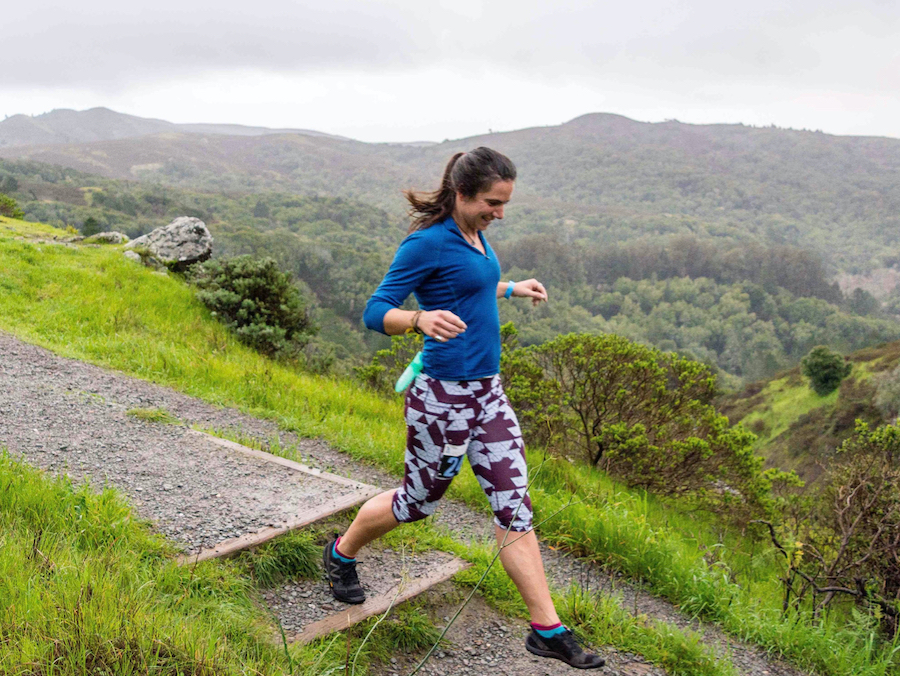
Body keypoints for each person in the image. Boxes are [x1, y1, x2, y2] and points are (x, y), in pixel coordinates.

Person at [322, 147, 605, 670]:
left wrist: (510, 287)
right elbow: (375, 311)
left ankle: (547, 629)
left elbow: (467, 284)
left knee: (514, 508)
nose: (501, 213)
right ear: (462, 194)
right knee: (415, 504)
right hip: (442, 400)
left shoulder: (475, 234)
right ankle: (341, 553)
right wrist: (418, 320)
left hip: (488, 395)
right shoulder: (426, 242)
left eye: (505, 203)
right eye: (493, 203)